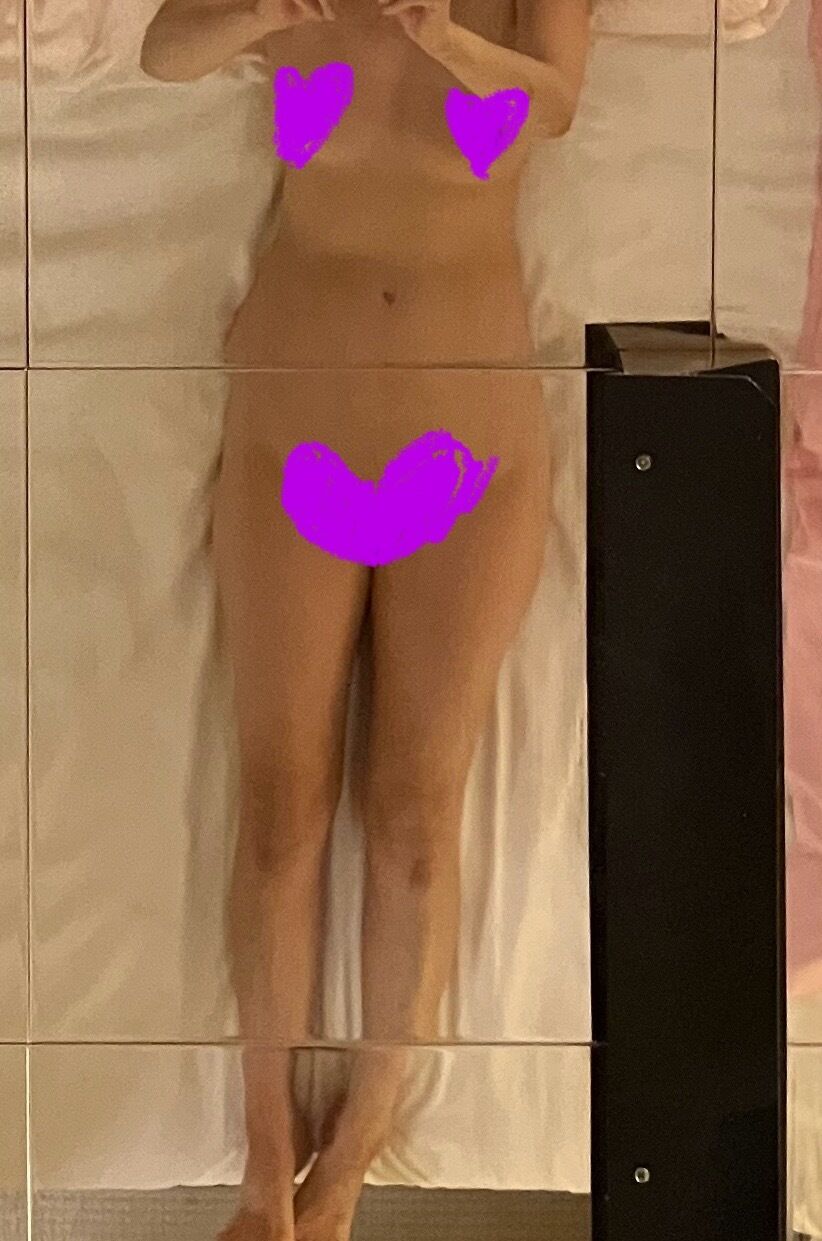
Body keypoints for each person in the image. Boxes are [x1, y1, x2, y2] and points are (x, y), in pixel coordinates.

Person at [141, 3, 590, 1238]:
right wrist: (272, 11)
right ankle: (264, 1160)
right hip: (299, 432)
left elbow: (553, 105)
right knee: (281, 805)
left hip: (467, 450)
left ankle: (354, 1148)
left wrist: (444, 38)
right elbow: (164, 54)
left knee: (414, 815)